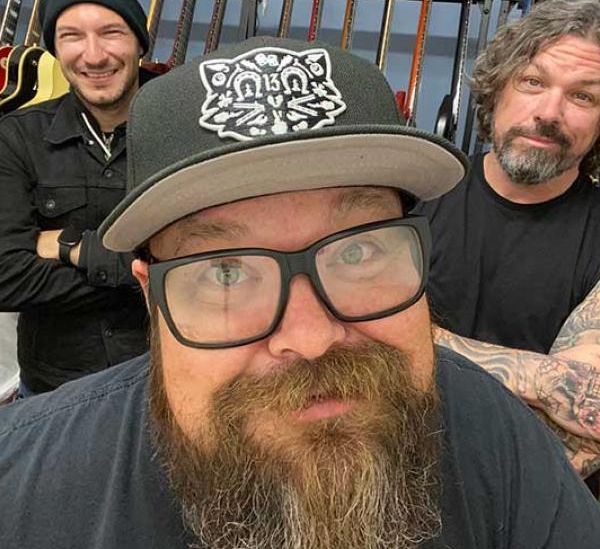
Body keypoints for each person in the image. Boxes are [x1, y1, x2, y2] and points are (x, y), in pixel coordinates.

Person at [1, 36, 599, 549]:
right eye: (226, 271)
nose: (311, 338)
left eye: (357, 252)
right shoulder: (25, 485)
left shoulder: (494, 435)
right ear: (152, 297)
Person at [413, 0, 600, 487]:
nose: (549, 112)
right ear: (497, 89)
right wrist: (544, 379)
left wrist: (419, 338)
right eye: (533, 82)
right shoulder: (409, 197)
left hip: (535, 499)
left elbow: (591, 409)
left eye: (583, 97)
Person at [0, 0, 152, 396]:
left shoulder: (183, 129)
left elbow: (208, 261)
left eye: (111, 32)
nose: (94, 55)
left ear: (139, 40)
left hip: (165, 387)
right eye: (72, 36)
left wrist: (70, 247)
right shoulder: (16, 137)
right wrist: (142, 273)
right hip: (50, 393)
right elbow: (5, 277)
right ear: (54, 47)